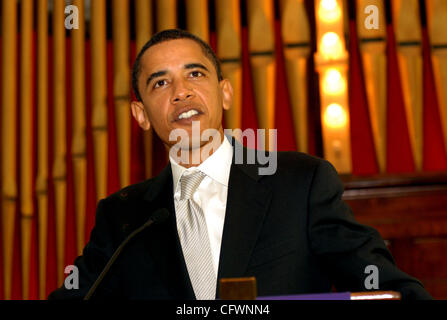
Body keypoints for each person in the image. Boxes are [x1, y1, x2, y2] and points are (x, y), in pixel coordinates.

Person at [48, 29, 432, 300]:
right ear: (141, 114)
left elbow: (376, 279)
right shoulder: (124, 217)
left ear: (225, 92)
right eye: (160, 84)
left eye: (195, 74)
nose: (181, 92)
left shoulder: (299, 183)